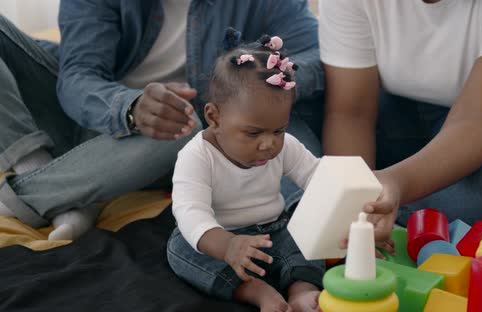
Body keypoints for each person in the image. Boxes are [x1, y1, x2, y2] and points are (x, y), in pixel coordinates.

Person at [0, 0, 323, 240]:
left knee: (186, 123)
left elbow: (318, 56)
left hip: (173, 137)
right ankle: (40, 171)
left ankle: (43, 195)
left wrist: (261, 80)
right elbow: (78, 77)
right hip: (89, 114)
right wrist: (131, 106)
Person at [318, 0, 482, 245]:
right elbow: (350, 113)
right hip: (393, 110)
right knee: (287, 123)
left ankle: (396, 222)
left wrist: (396, 183)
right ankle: (399, 220)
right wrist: (355, 194)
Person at [167, 32, 324, 312]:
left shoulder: (283, 146)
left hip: (275, 230)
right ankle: (258, 293)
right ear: (214, 117)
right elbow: (190, 213)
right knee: (180, 250)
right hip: (222, 237)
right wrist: (228, 246)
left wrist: (355, 216)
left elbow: (320, 178)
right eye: (253, 133)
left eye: (279, 130)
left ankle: (302, 291)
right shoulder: (197, 157)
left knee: (309, 237)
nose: (268, 144)